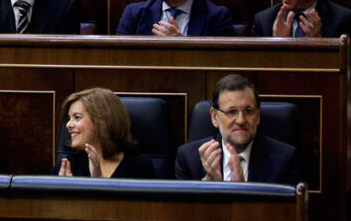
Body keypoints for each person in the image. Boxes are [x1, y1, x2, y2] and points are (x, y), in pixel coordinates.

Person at [174, 74, 302, 185]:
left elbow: (286, 213)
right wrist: (209, 184)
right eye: (232, 112)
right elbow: (183, 213)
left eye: (248, 111)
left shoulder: (285, 160)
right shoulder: (189, 158)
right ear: (214, 117)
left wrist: (244, 191)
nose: (241, 120)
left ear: (258, 116)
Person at [57, 88, 154, 178]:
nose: (68, 125)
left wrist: (99, 182)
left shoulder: (139, 166)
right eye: (69, 119)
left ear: (102, 121)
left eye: (77, 117)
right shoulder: (67, 165)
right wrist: (64, 192)